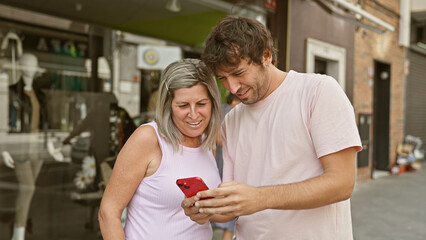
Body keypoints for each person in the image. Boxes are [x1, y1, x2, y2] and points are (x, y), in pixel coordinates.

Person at [181, 16, 362, 239]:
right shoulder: (232, 120)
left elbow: (342, 183)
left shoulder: (318, 92)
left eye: (238, 73)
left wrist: (260, 198)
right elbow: (231, 209)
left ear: (266, 56)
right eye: (223, 79)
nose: (232, 87)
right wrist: (206, 211)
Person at [98, 58, 224, 240]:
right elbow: (108, 213)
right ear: (168, 106)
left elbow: (212, 214)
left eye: (202, 104)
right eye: (183, 105)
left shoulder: (207, 141)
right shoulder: (149, 138)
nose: (194, 114)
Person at [1, 53, 44, 240]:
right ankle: (18, 234)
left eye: (33, 64)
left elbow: (44, 122)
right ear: (20, 66)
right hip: (20, 147)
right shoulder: (11, 91)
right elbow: (3, 120)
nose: (29, 67)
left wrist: (50, 145)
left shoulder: (39, 93)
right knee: (28, 188)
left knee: (27, 192)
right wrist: (3, 148)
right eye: (26, 64)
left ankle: (19, 224)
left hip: (38, 150)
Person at [212, 93, 240, 240]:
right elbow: (219, 139)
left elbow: (216, 137)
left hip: (219, 165)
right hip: (226, 166)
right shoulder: (231, 112)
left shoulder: (221, 111)